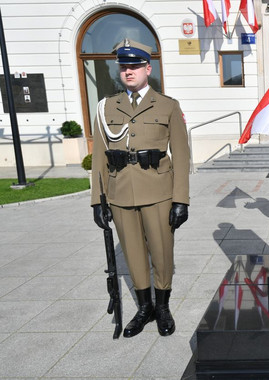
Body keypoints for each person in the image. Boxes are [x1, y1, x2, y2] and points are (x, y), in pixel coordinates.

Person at [90, 39, 190, 337]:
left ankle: (162, 307)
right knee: (133, 254)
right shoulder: (108, 106)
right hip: (120, 192)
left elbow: (182, 156)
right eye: (123, 67)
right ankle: (144, 308)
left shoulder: (168, 105)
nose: (128, 71)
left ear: (148, 68)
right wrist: (98, 200)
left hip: (159, 191)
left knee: (161, 253)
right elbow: (99, 156)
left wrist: (181, 200)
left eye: (134, 66)